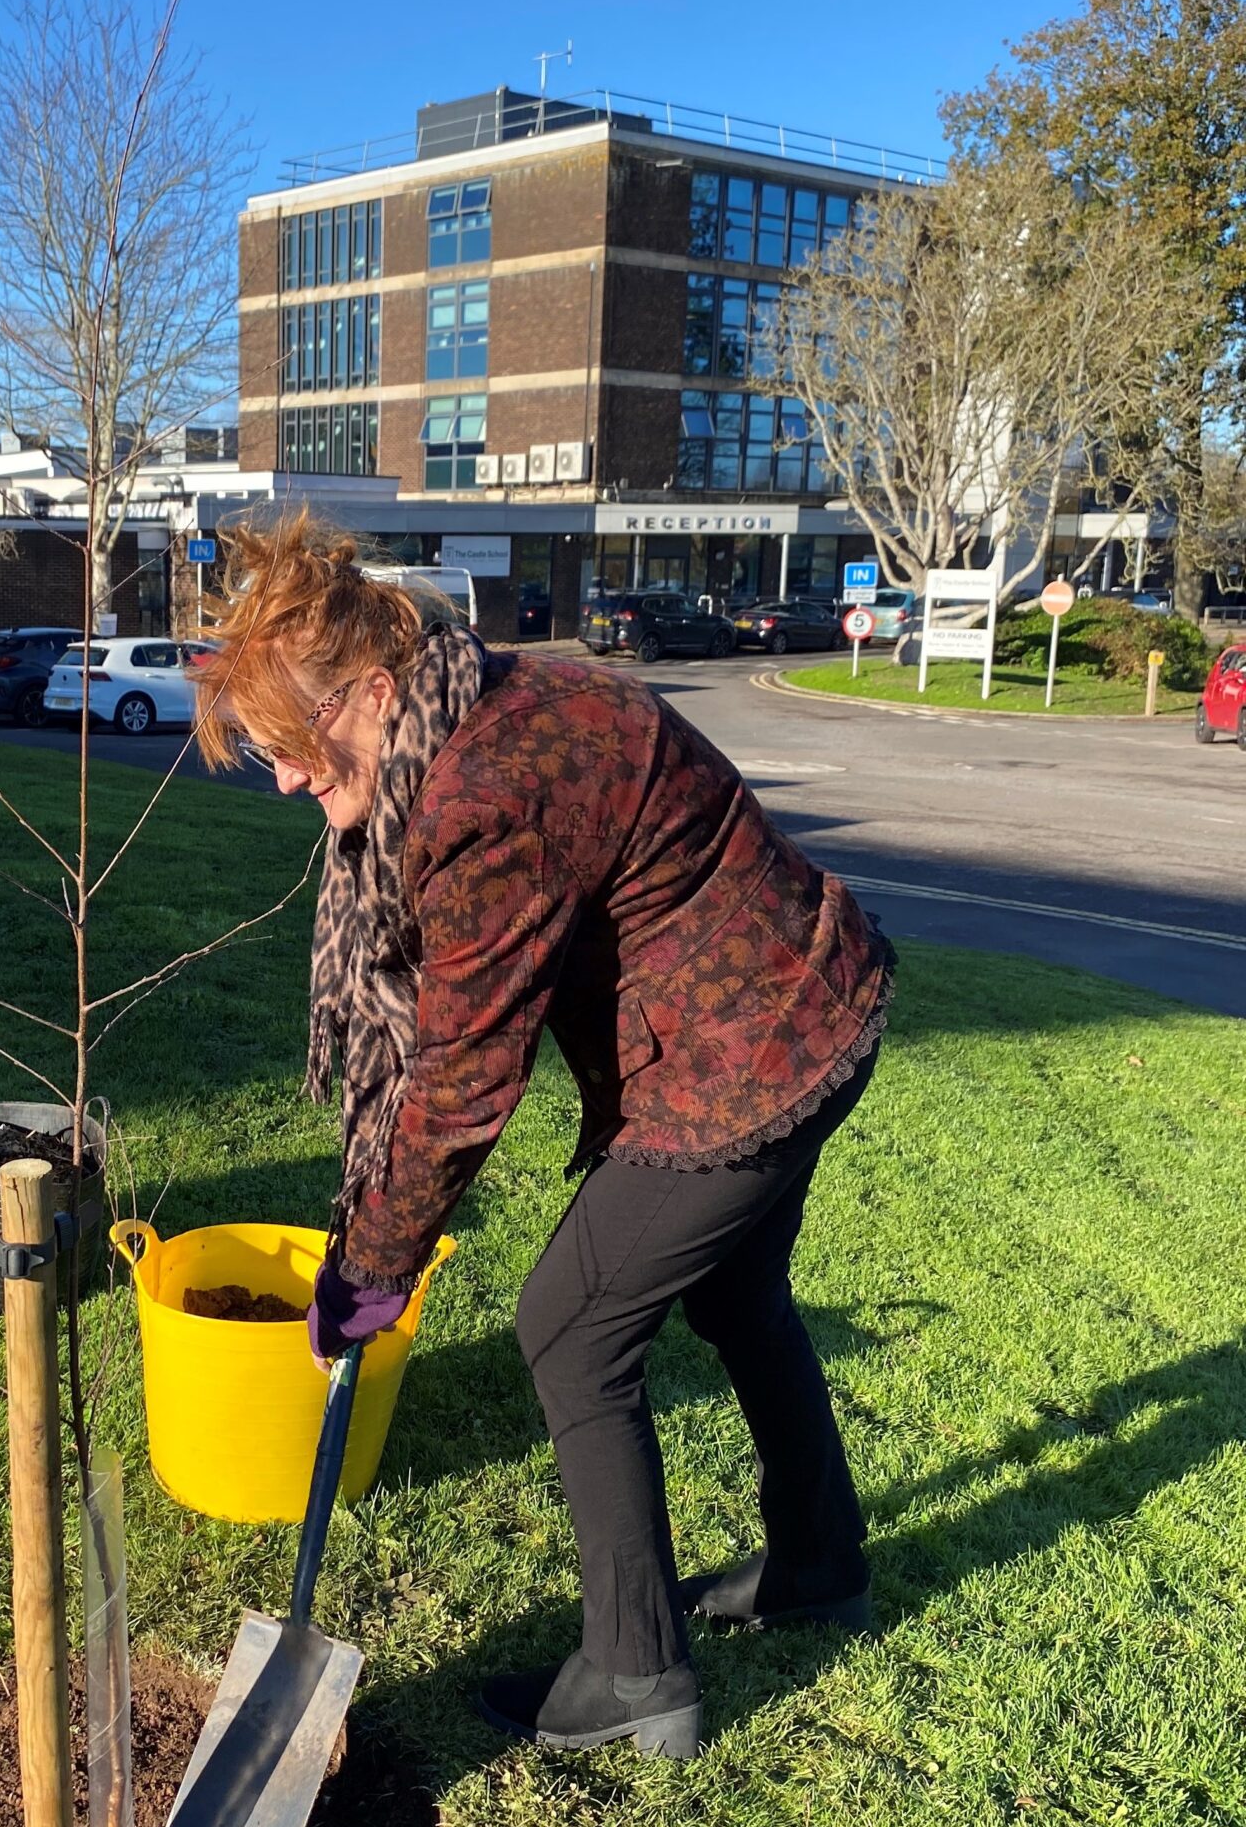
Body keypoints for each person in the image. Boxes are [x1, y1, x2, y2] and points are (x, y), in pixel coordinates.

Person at [192, 513, 893, 1763]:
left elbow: (464, 1076)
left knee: (569, 1326)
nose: (289, 778)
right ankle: (818, 1564)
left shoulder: (477, 794)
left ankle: (635, 1672)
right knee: (740, 1299)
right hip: (811, 1001)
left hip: (744, 1053)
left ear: (376, 690)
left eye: (296, 745)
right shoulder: (494, 698)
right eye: (267, 754)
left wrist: (372, 1261)